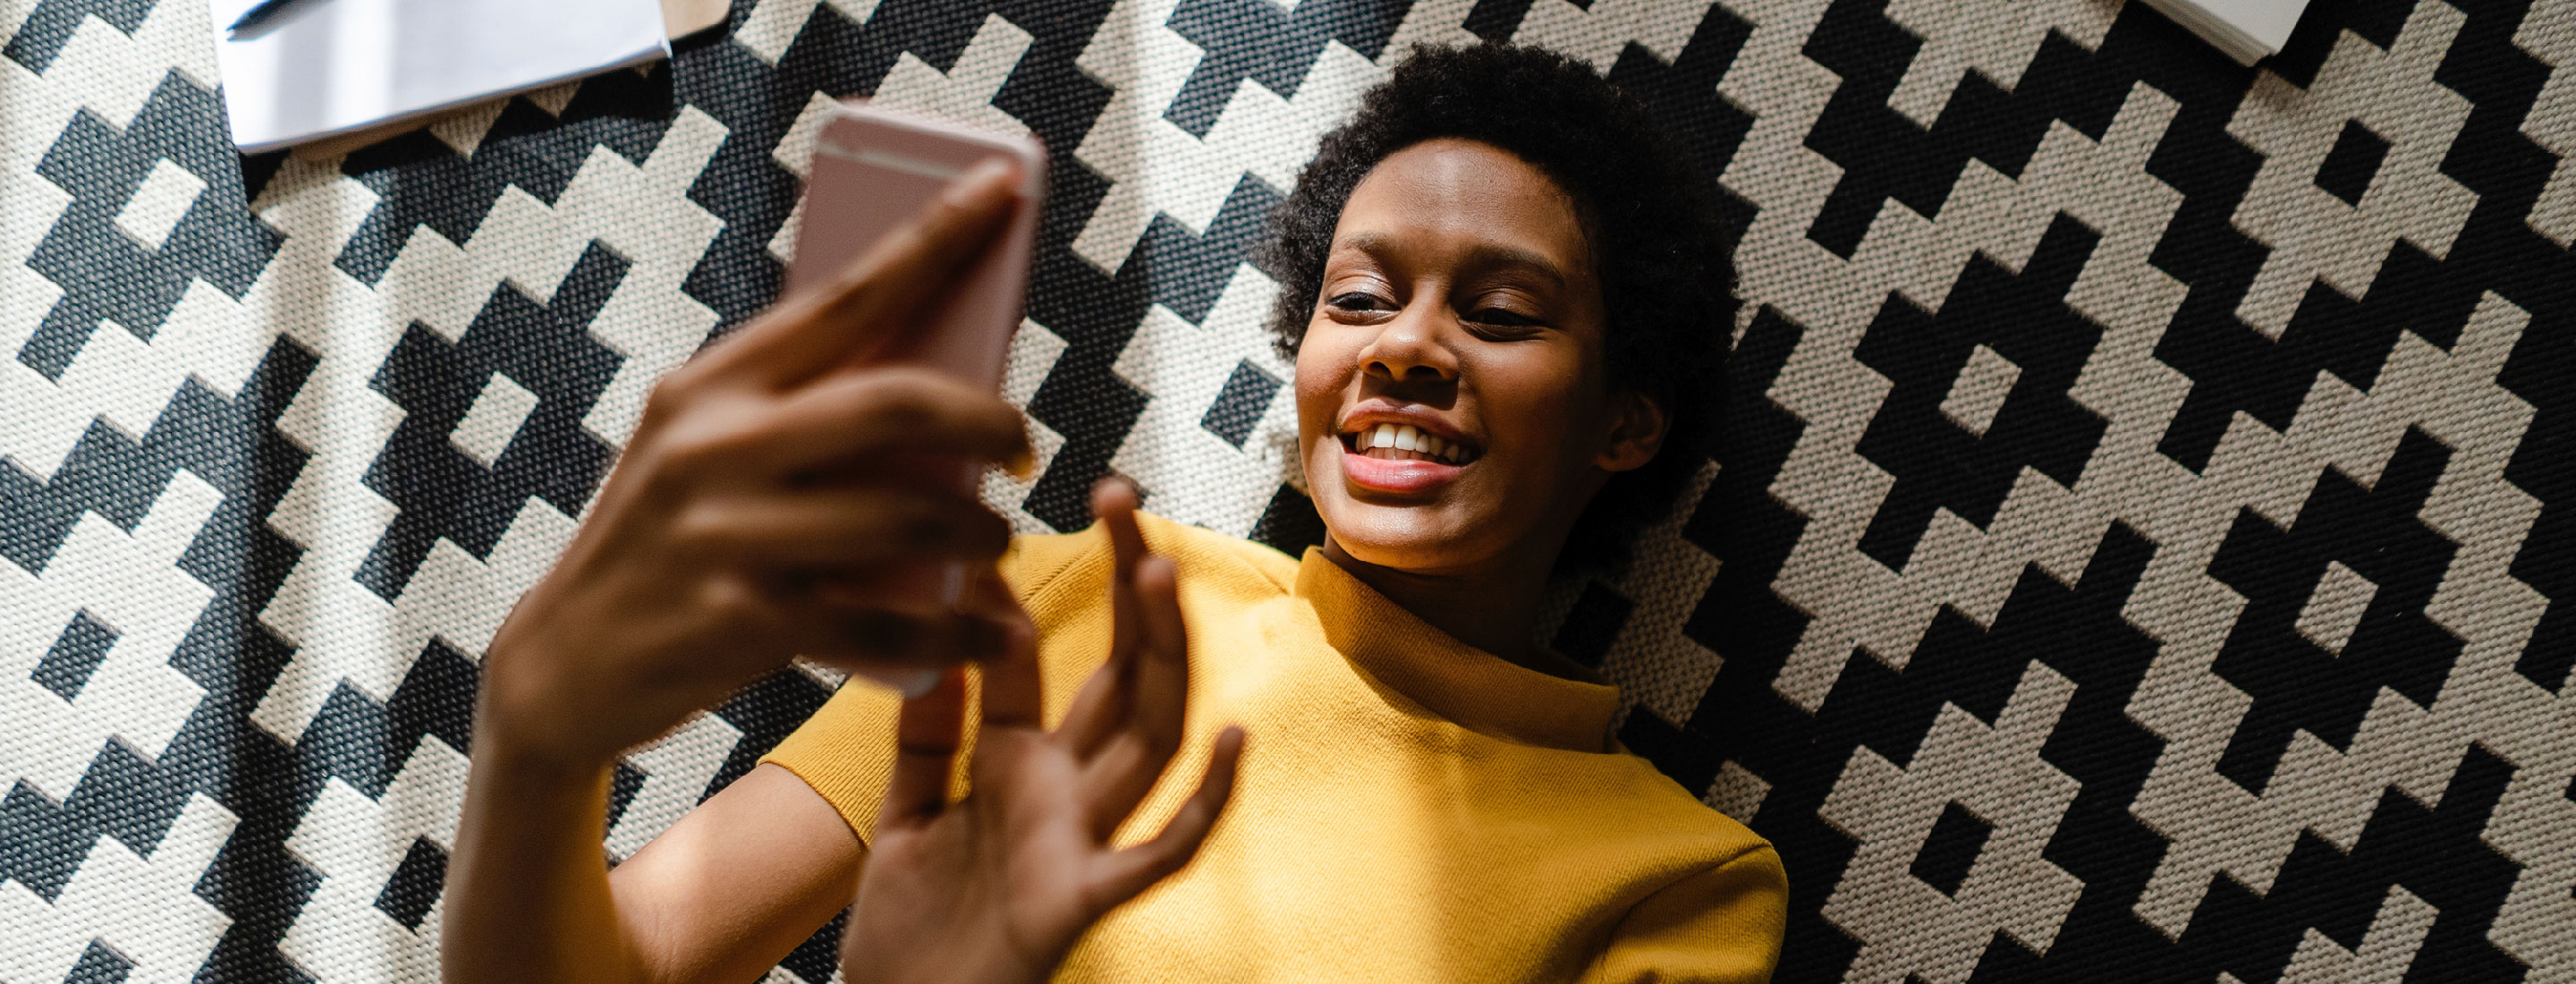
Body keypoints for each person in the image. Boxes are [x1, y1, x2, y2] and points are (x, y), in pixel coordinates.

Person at [442, 42, 1786, 983]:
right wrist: (532, 752)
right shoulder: (1091, 595)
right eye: (1359, 301)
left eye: (1498, 315)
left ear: (1628, 421)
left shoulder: (1683, 881)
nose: (1405, 349)